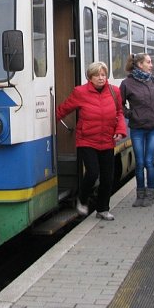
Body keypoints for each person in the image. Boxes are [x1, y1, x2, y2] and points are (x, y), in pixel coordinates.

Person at [56, 61, 127, 221]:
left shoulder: (114, 91)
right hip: (86, 140)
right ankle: (82, 200)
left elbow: (119, 113)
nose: (101, 78)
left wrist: (120, 131)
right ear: (90, 77)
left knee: (108, 177)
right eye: (97, 75)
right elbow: (64, 109)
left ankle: (103, 209)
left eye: (103, 75)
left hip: (107, 140)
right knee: (93, 172)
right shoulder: (80, 92)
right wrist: (46, 124)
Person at [119, 53, 154, 207]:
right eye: (148, 62)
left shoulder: (153, 81)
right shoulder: (126, 84)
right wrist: (130, 114)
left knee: (149, 161)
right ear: (139, 64)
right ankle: (140, 194)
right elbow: (120, 104)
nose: (151, 65)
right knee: (139, 162)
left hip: (153, 127)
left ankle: (150, 193)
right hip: (137, 127)